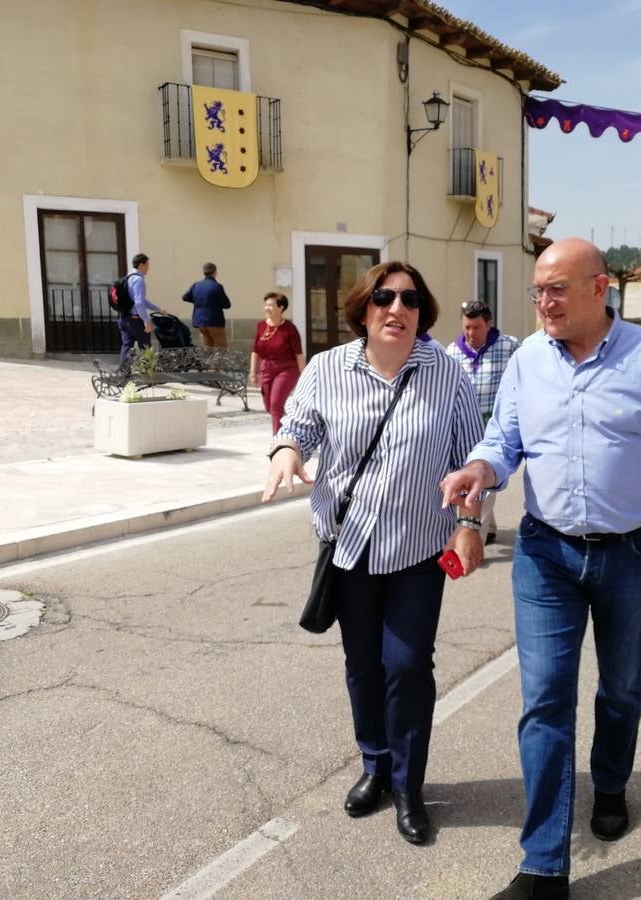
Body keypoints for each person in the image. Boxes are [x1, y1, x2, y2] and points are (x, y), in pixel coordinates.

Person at [439, 238, 641, 900]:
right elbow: (504, 441)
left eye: (557, 289)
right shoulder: (526, 360)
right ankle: (544, 865)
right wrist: (480, 471)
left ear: (600, 289)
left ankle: (612, 782)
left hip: (635, 551)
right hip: (547, 554)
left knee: (621, 686)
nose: (543, 302)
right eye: (538, 290)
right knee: (545, 701)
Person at [261, 261, 484, 846]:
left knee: (407, 666)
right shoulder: (328, 368)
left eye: (410, 299)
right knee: (362, 664)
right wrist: (286, 451)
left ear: (422, 312)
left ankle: (409, 786)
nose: (397, 309)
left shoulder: (448, 374)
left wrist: (469, 524)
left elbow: (472, 458)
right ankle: (376, 766)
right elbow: (299, 424)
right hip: (351, 545)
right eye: (384, 298)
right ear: (363, 309)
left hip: (418, 547)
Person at [445, 299, 521, 545]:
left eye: (476, 327)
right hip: (462, 428)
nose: (470, 333)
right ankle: (488, 528)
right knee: (472, 482)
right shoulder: (452, 352)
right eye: (466, 327)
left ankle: (473, 541)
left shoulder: (509, 347)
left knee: (481, 484)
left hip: (492, 430)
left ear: (488, 325)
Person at [249, 292, 304, 433]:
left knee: (275, 405)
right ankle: (289, 428)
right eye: (266, 304)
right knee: (269, 407)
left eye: (271, 305)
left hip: (287, 369)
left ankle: (277, 440)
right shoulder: (261, 326)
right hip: (266, 369)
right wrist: (253, 372)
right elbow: (255, 351)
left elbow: (298, 354)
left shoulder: (290, 329)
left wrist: (304, 377)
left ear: (281, 308)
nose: (267, 308)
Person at [117, 253, 162, 366]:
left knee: (126, 346)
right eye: (147, 265)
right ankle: (148, 373)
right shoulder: (139, 280)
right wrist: (146, 321)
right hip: (136, 320)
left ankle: (123, 372)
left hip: (124, 318)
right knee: (146, 348)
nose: (148, 267)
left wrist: (157, 308)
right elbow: (139, 303)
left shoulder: (128, 278)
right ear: (141, 264)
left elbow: (141, 301)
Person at [181, 262, 232, 347]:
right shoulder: (217, 286)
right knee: (220, 349)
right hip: (214, 321)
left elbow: (185, 297)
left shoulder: (196, 285)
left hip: (200, 322)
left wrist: (197, 300)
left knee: (207, 349)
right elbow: (227, 304)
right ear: (215, 272)